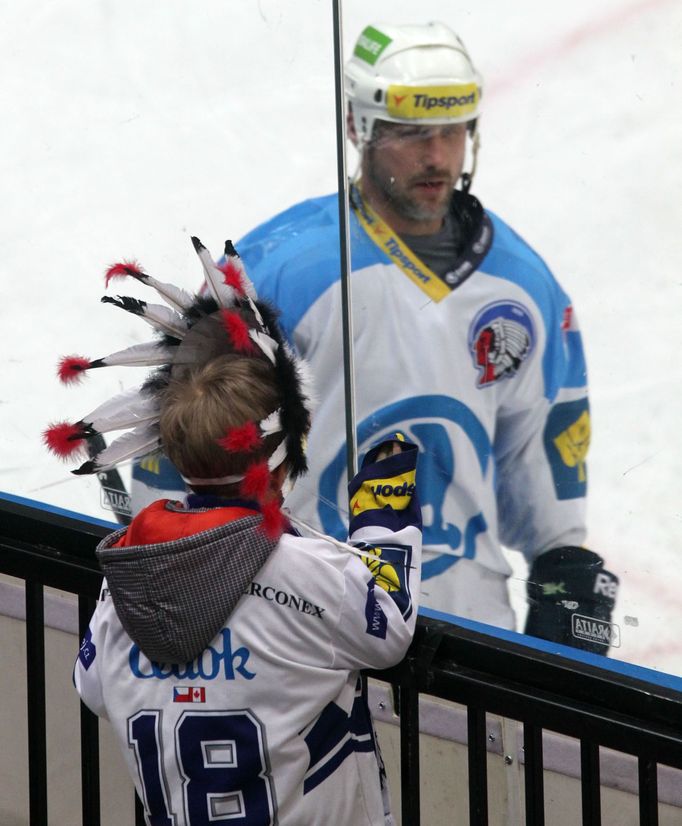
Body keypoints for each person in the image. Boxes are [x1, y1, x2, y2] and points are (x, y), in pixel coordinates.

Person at [229, 21, 619, 653]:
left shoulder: (524, 288)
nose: (437, 156)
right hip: (301, 635)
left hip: (466, 639)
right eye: (412, 134)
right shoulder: (277, 271)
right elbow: (186, 467)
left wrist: (564, 582)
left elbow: (547, 501)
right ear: (359, 129)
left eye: (452, 131)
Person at [45, 238, 422, 825]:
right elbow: (387, 628)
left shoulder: (128, 571)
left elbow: (94, 685)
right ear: (282, 450)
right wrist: (386, 515)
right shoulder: (305, 574)